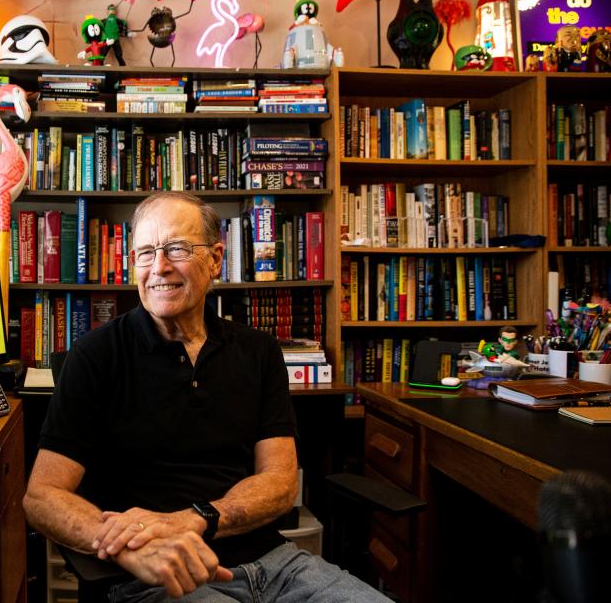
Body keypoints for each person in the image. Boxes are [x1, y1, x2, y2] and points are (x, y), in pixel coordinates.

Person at [24, 191, 388, 602]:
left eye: (177, 249)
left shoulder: (258, 351)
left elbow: (280, 482)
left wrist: (194, 519)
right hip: (157, 577)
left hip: (277, 565)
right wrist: (131, 546)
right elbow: (42, 497)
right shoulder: (94, 355)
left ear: (215, 259)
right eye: (145, 253)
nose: (159, 267)